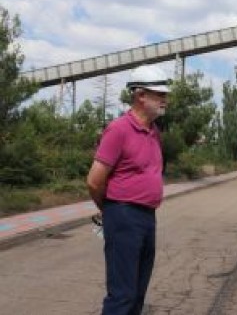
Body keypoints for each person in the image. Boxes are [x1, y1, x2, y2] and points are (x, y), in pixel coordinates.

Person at [87, 64, 170, 315]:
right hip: (123, 215)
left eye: (165, 94)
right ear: (140, 95)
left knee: (137, 292)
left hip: (146, 217)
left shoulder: (154, 132)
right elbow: (94, 180)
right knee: (122, 294)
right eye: (160, 94)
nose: (165, 99)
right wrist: (110, 211)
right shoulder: (119, 129)